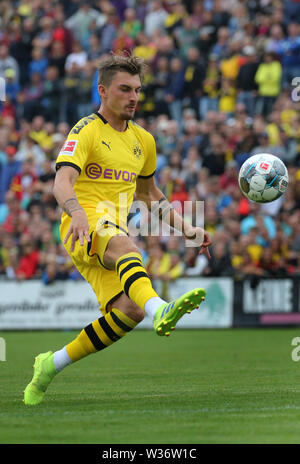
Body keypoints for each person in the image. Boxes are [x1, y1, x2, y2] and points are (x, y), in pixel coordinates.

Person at [23, 54, 211, 405]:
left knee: (128, 311)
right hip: (82, 226)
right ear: (103, 91)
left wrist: (189, 230)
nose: (134, 97)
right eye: (125, 89)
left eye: (138, 90)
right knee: (128, 248)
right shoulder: (86, 130)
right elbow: (61, 182)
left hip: (109, 233)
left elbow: (150, 195)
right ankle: (161, 310)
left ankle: (51, 364)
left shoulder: (145, 141)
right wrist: (77, 211)